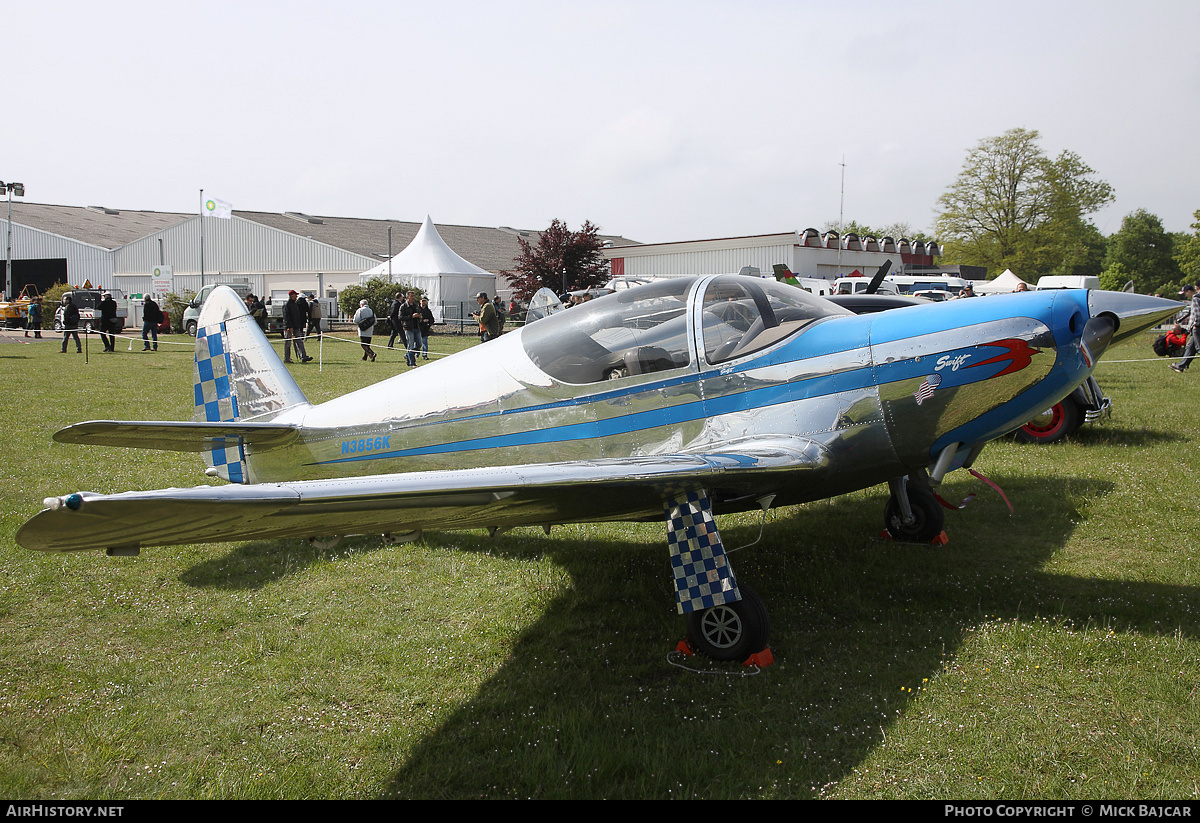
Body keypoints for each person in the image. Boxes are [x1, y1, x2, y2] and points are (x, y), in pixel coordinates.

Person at [1171, 284, 1200, 373]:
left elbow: (1197, 314)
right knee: (1190, 347)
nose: (1185, 295)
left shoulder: (1195, 298)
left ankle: (1181, 365)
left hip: (1197, 327)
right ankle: (1181, 366)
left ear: (1191, 290)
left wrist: (1196, 324)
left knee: (1199, 348)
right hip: (1195, 327)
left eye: (1185, 293)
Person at [283, 290, 311, 363]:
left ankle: (303, 356)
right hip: (289, 327)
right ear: (292, 296)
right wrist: (289, 327)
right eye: (295, 295)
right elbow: (286, 317)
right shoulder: (287, 305)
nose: (296, 296)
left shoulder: (295, 304)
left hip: (296, 326)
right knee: (288, 343)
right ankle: (287, 358)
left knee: (299, 341)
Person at [399, 290, 420, 367]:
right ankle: (412, 363)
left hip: (416, 327)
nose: (413, 298)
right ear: (407, 297)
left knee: (419, 344)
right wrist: (411, 316)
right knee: (410, 345)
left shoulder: (416, 306)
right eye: (411, 296)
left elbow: (420, 313)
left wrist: (419, 316)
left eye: (413, 296)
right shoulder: (403, 306)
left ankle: (407, 355)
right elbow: (400, 317)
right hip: (408, 328)